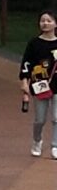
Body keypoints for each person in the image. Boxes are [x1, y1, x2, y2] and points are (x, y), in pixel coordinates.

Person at [20, 14, 55, 159]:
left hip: (56, 84)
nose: (45, 23)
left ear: (55, 24)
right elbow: (26, 64)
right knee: (40, 119)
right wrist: (24, 82)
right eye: (42, 21)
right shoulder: (34, 43)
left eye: (49, 21)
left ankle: (55, 145)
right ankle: (37, 140)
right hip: (39, 84)